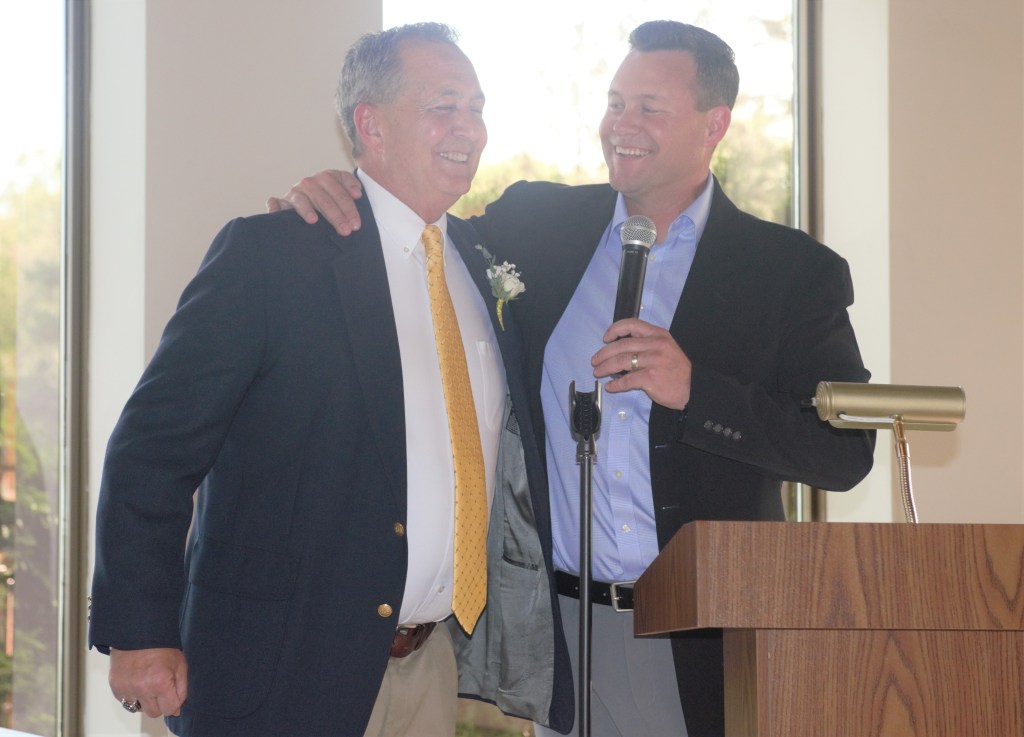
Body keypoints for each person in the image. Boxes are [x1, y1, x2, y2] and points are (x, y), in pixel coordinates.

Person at [270, 19, 876, 737]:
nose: (621, 124)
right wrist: (344, 191)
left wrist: (697, 391)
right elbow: (418, 238)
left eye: (649, 107)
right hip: (558, 633)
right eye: (616, 103)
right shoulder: (538, 223)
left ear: (715, 124)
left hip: (705, 636)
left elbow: (844, 451)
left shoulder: (791, 272)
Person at [89, 22, 573, 737]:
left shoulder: (481, 261)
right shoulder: (272, 256)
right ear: (369, 125)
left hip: (429, 668)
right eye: (443, 105)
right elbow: (152, 450)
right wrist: (138, 629)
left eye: (476, 107)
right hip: (280, 669)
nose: (469, 127)